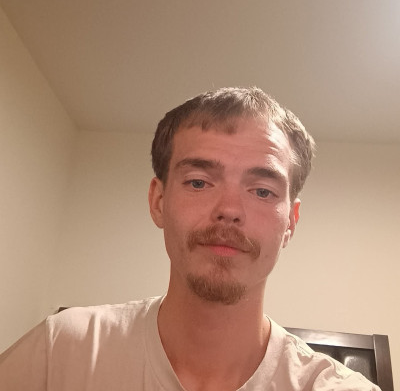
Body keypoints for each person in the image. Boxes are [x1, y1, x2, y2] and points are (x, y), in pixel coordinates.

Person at [0, 87, 380, 390]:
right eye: (199, 182)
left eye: (263, 191)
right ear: (158, 201)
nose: (229, 209)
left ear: (291, 224)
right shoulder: (62, 351)